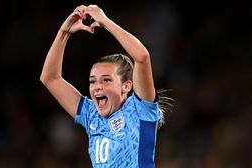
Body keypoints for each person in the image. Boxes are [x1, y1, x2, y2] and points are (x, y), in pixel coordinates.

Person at [40, 4, 166, 167]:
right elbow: (50, 78)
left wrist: (105, 21)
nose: (97, 86)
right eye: (93, 81)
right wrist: (63, 33)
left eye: (106, 80)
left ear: (126, 86)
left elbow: (142, 56)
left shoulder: (139, 110)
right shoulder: (91, 115)